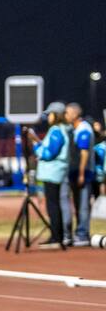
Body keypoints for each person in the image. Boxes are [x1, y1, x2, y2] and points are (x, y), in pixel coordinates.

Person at [28, 102, 70, 249]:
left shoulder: (56, 130)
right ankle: (57, 236)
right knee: (55, 204)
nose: (48, 117)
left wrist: (35, 144)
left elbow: (48, 153)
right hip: (56, 171)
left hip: (53, 172)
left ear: (56, 115)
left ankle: (56, 237)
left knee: (53, 205)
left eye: (50, 114)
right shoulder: (63, 129)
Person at [64, 103, 94, 246]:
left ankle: (83, 234)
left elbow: (84, 153)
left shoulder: (83, 129)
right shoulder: (74, 129)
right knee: (77, 204)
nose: (65, 115)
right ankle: (79, 232)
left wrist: (81, 173)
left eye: (67, 113)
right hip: (75, 171)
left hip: (83, 172)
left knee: (83, 205)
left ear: (75, 114)